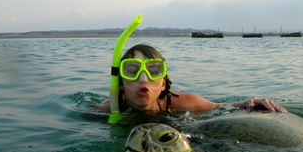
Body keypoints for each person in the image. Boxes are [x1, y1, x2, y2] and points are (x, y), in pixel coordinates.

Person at [97, 44, 287, 114]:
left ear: (163, 81)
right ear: (120, 82)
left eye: (154, 70)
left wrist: (249, 103)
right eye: (132, 71)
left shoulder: (184, 103)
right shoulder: (109, 108)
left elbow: (221, 107)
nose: (144, 79)